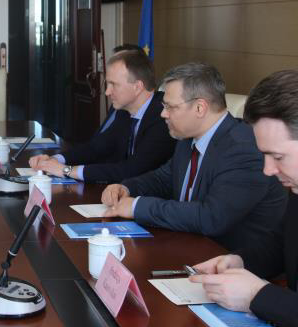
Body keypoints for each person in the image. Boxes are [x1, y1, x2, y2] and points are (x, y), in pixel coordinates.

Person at [191, 70, 298, 327]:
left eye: (277, 156)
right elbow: (282, 245)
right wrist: (239, 261)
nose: (268, 170)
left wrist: (256, 296)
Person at [101, 62, 286, 251]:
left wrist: (137, 207)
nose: (163, 114)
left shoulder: (243, 149)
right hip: (189, 246)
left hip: (233, 258)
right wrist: (126, 188)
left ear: (199, 108)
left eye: (170, 107)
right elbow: (163, 179)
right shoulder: (188, 138)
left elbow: (211, 217)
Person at [29, 48, 175, 183]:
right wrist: (54, 160)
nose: (107, 92)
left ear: (137, 87)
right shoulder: (125, 111)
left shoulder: (164, 117)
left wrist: (66, 170)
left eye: (113, 84)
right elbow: (96, 148)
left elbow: (132, 170)